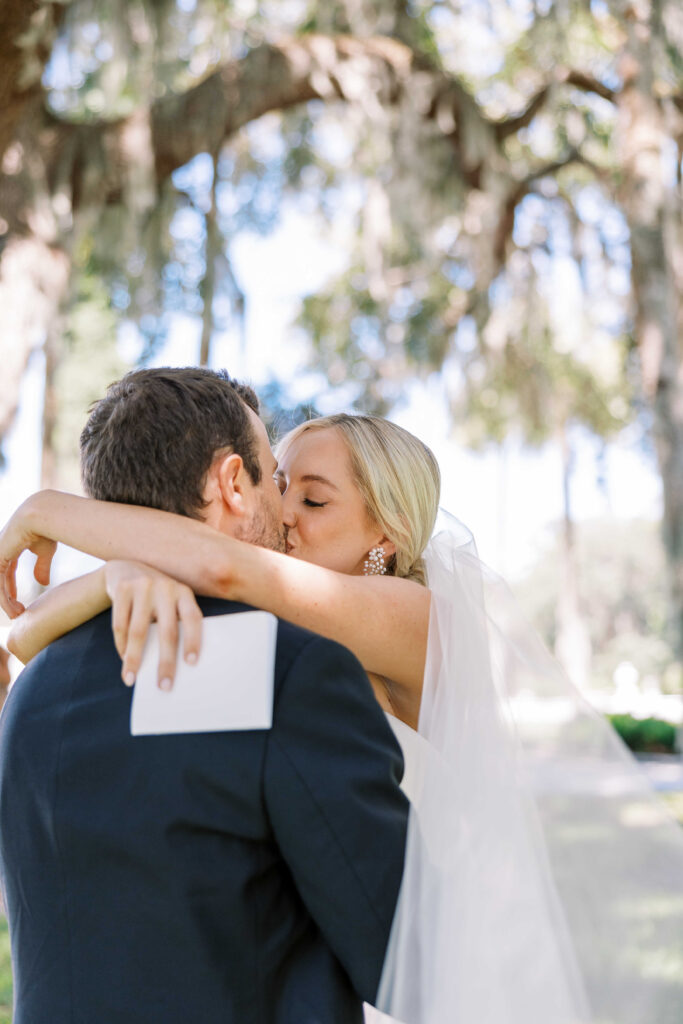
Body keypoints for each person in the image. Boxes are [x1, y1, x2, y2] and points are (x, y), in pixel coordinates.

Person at [3, 375, 683, 1023]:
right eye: (281, 486)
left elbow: (219, 564)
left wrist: (46, 511)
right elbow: (30, 636)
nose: (286, 518)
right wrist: (109, 579)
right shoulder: (272, 647)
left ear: (384, 538)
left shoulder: (414, 618)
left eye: (314, 500)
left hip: (449, 961)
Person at [0, 367, 409, 1024]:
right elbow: (404, 957)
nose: (283, 509)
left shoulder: (37, 686)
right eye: (271, 478)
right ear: (230, 483)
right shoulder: (287, 671)